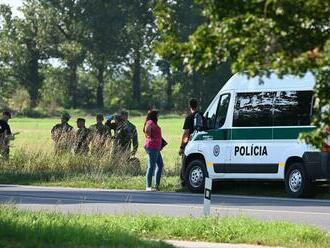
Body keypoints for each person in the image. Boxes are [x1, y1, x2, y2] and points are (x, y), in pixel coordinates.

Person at [144, 110, 164, 191]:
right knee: (151, 166)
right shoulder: (150, 122)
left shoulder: (154, 122)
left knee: (160, 165)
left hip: (156, 147)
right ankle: (148, 186)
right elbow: (147, 129)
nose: (158, 116)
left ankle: (157, 186)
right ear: (154, 115)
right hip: (152, 147)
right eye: (157, 115)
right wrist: (150, 136)